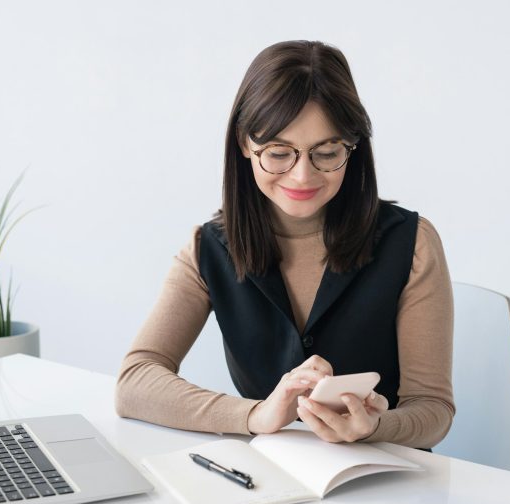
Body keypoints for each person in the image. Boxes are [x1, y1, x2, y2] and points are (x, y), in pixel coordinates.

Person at [115, 40, 454, 449]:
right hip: (270, 481)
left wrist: (374, 428)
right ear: (245, 143)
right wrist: (255, 414)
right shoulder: (208, 248)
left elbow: (433, 409)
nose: (301, 177)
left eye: (326, 153)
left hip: (391, 484)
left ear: (352, 146)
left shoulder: (412, 243)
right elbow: (135, 381)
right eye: (278, 153)